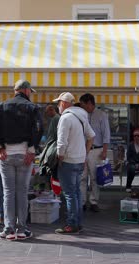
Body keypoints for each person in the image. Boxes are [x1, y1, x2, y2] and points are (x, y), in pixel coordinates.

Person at [0, 79, 43, 241]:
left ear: (15, 91)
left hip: (6, 154)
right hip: (25, 153)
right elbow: (39, 128)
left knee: (9, 192)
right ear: (26, 91)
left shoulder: (3, 106)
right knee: (22, 192)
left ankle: (9, 229)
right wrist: (32, 148)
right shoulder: (32, 108)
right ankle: (22, 229)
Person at [53, 92, 95, 234]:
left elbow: (61, 142)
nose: (58, 106)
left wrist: (59, 157)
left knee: (70, 194)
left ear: (64, 103)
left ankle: (71, 224)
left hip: (68, 160)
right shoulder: (82, 116)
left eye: (58, 103)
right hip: (79, 160)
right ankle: (77, 222)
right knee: (76, 192)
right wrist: (85, 154)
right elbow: (91, 136)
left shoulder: (65, 118)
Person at [79, 93, 111, 212]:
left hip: (96, 149)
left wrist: (104, 151)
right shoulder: (82, 115)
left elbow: (106, 134)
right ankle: (82, 202)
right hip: (82, 150)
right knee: (82, 177)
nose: (81, 107)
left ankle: (93, 201)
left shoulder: (102, 115)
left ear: (89, 103)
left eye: (83, 104)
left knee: (94, 178)